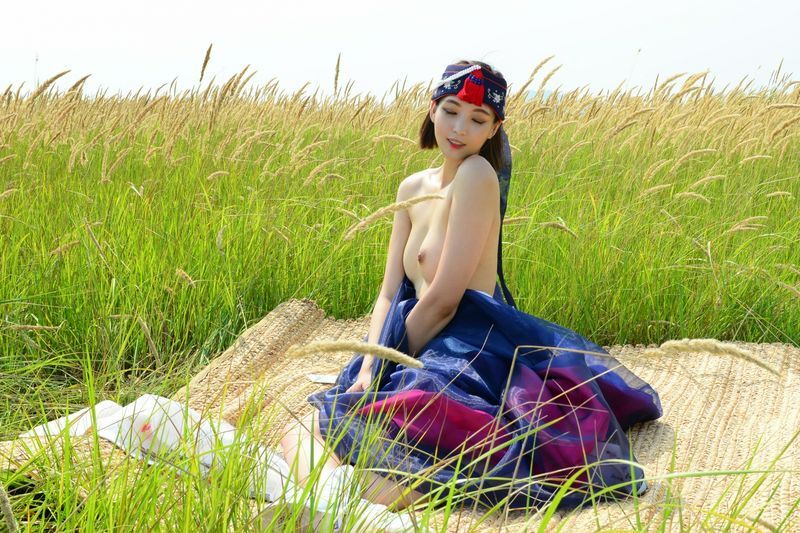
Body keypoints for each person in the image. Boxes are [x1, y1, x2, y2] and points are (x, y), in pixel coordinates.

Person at [283, 60, 663, 515]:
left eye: (478, 119)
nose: (460, 128)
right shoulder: (411, 187)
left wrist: (389, 364)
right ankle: (336, 505)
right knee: (303, 431)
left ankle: (340, 504)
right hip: (408, 339)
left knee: (400, 432)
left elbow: (445, 301)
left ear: (494, 128)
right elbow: (388, 292)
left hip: (464, 347)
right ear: (432, 109)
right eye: (450, 111)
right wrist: (369, 364)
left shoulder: (477, 175)